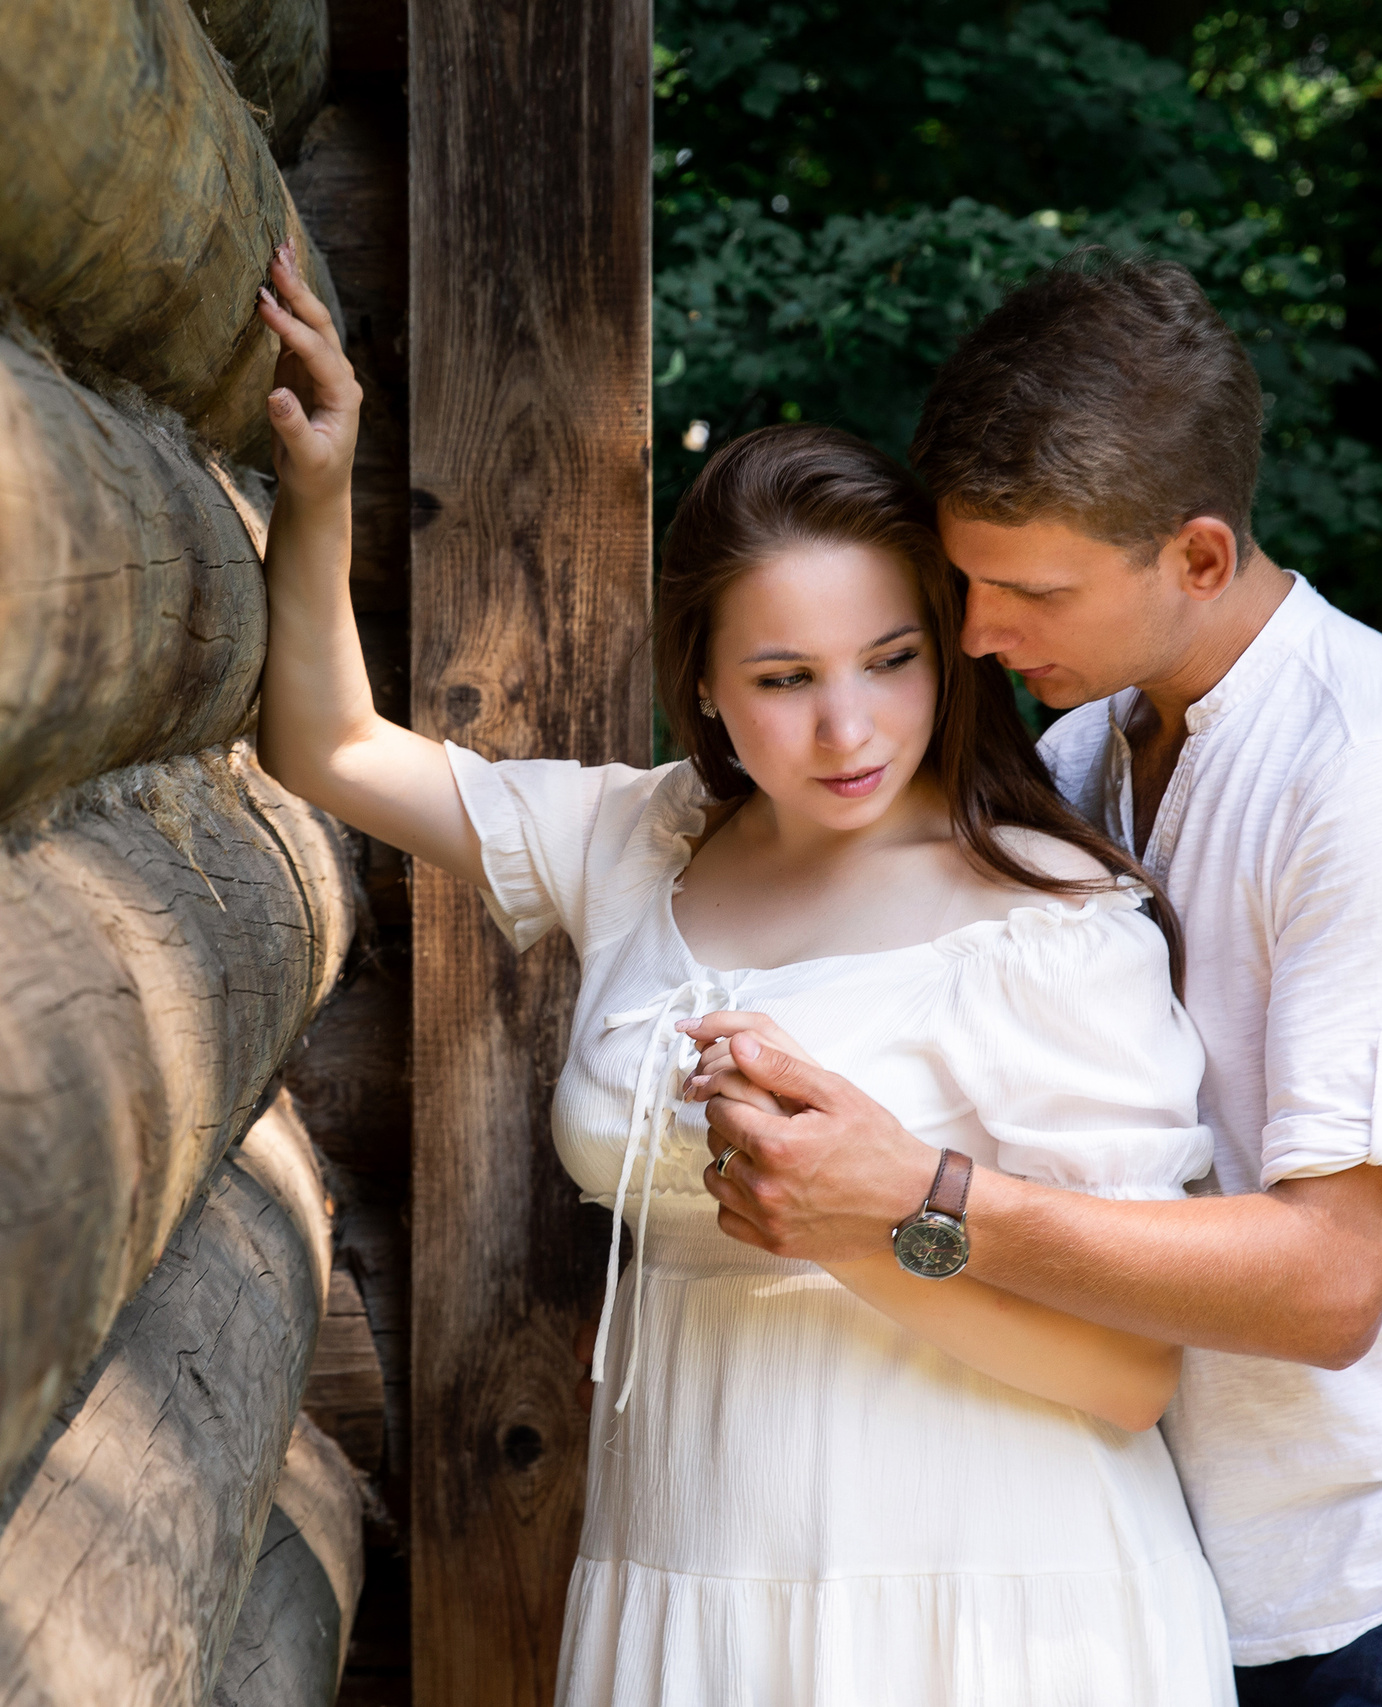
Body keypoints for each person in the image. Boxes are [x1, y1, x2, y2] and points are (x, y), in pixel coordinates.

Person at [247, 246, 1235, 1705]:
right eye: (784, 680)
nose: (849, 726)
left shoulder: (1051, 924)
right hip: (691, 1583)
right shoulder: (642, 839)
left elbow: (1131, 1376)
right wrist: (321, 481)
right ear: (703, 682)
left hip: (994, 1609)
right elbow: (327, 748)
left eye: (890, 660)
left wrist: (853, 1225)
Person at [688, 255, 1382, 1706]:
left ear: (1199, 558)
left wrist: (916, 1201)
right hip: (1198, 1591)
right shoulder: (1082, 756)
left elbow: (1334, 1284)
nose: (974, 636)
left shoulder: (1381, 775)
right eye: (964, 579)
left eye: (1029, 590)